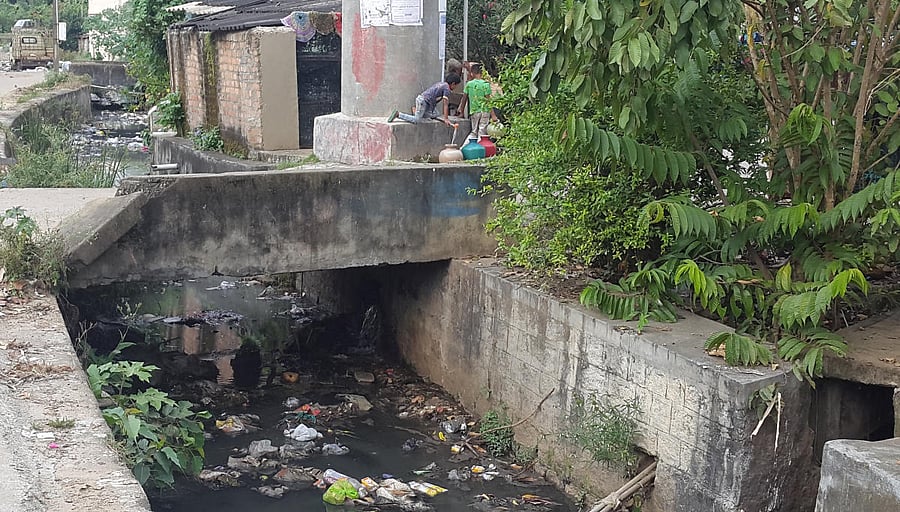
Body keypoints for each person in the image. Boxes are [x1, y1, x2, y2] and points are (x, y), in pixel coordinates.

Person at [388, 73, 461, 126]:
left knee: (436, 114)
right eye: (456, 86)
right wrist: (446, 119)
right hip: (423, 101)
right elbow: (445, 104)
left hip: (425, 101)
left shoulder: (442, 84)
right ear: (453, 84)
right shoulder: (447, 89)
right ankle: (398, 114)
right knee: (416, 120)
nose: (455, 88)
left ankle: (417, 111)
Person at [457, 63, 492, 138]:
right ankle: (480, 148)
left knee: (474, 132)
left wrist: (462, 111)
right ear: (482, 73)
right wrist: (494, 115)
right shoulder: (485, 84)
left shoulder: (469, 84)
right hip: (485, 111)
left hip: (474, 111)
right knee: (482, 132)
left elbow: (464, 99)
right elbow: (488, 101)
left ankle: (464, 148)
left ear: (472, 74)